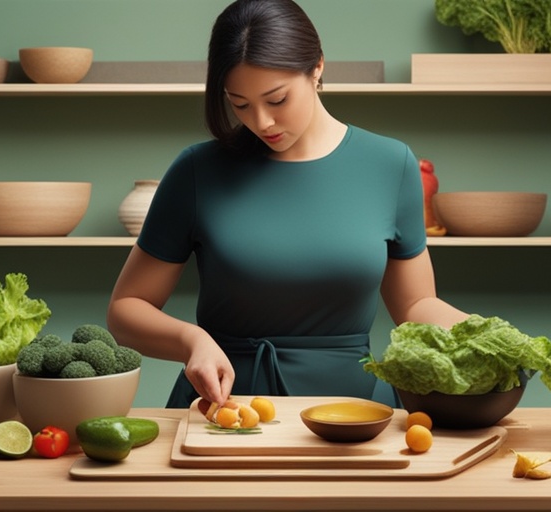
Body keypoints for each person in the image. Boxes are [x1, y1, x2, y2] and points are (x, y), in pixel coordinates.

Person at [107, 0, 468, 410]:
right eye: (239, 104)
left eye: (277, 99)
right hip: (225, 410)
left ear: (317, 67)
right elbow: (125, 310)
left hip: (355, 415)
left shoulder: (391, 164)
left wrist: (500, 338)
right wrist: (193, 341)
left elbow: (415, 305)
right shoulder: (197, 170)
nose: (260, 122)